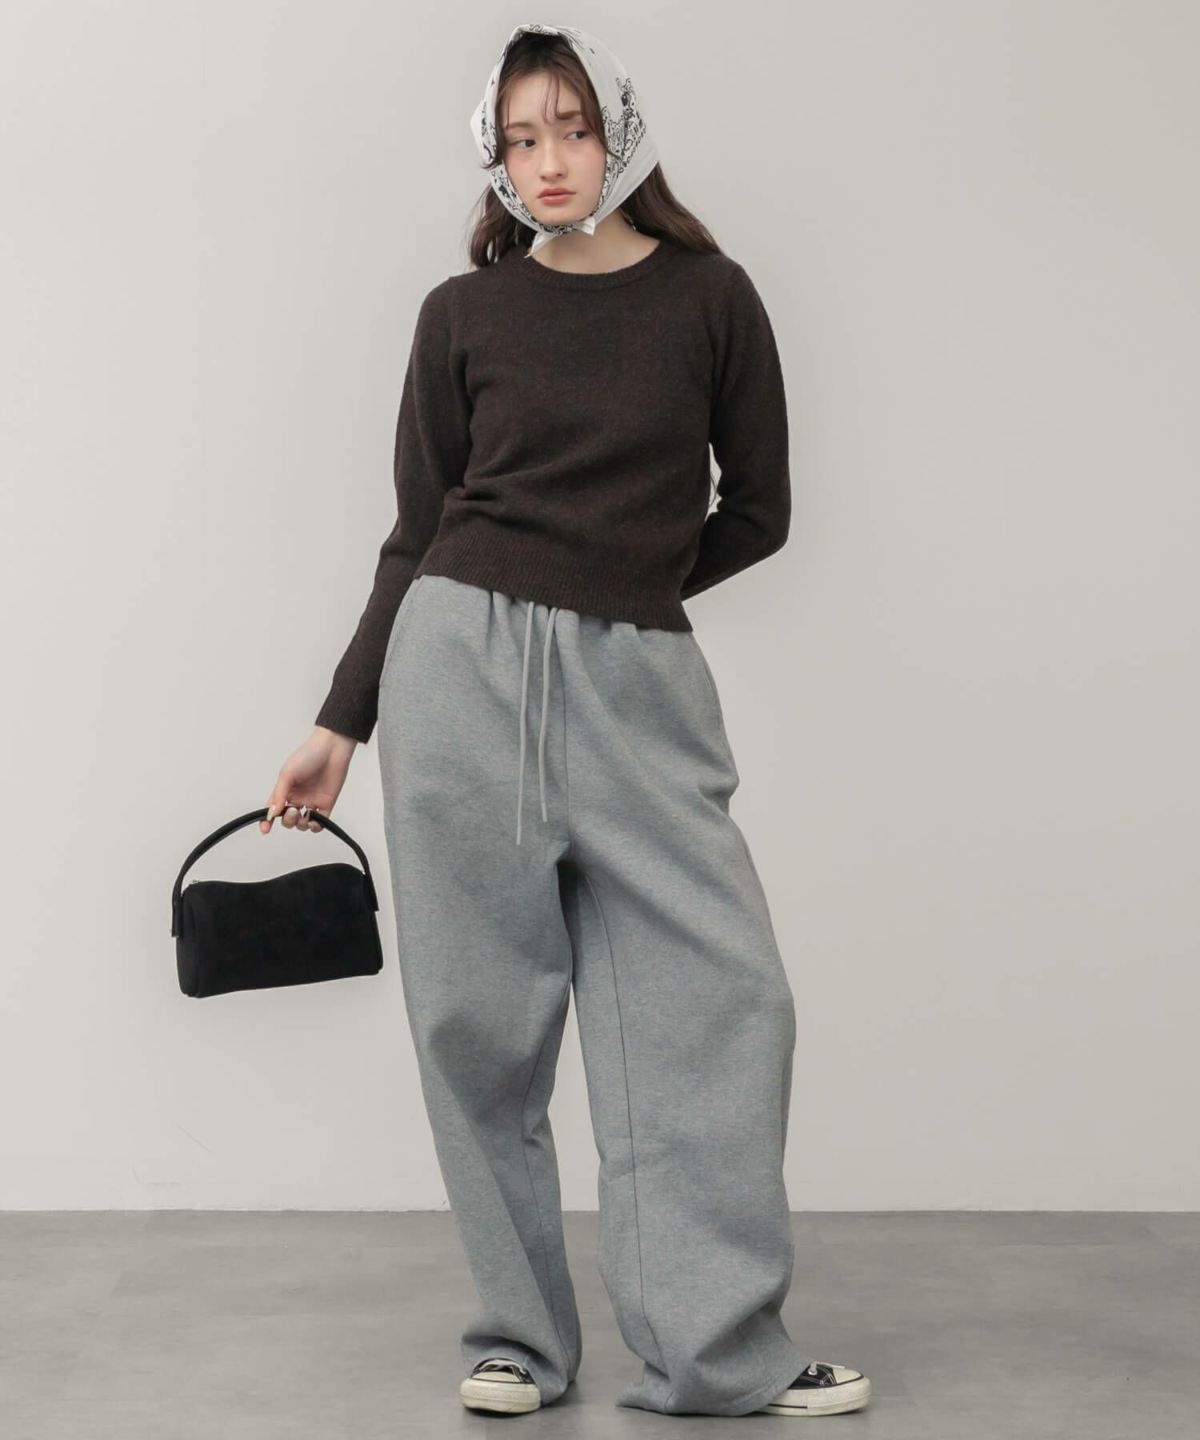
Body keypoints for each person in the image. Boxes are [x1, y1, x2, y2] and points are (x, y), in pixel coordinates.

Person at [262, 21, 870, 1422]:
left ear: (623, 135)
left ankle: (718, 1353)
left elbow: (760, 509)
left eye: (575, 130)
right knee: (477, 1027)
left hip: (638, 687)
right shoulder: (461, 315)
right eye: (522, 137)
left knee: (724, 1005)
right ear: (494, 152)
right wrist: (341, 723)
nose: (549, 161)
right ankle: (519, 1343)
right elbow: (417, 532)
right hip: (456, 670)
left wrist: (624, 587)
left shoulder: (713, 298)